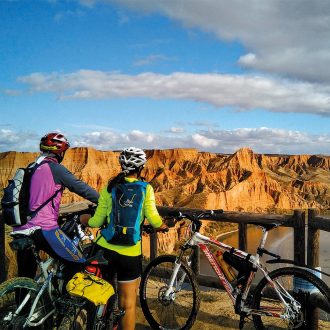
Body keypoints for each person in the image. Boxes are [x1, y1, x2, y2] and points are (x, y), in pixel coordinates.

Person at [81, 147, 168, 330]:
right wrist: (163, 226)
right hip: (129, 254)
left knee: (97, 296)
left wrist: (83, 219)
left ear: (122, 165)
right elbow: (153, 219)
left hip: (104, 250)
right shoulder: (146, 189)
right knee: (127, 305)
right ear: (141, 167)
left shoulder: (109, 188)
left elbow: (96, 221)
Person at [14, 132, 99, 280]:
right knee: (77, 262)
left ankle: (24, 302)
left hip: (21, 228)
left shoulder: (32, 167)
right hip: (44, 229)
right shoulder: (55, 168)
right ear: (60, 152)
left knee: (25, 278)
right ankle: (65, 301)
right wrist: (104, 202)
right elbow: (80, 188)